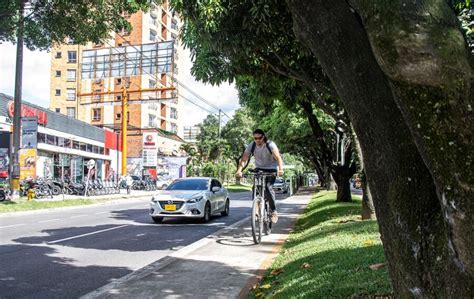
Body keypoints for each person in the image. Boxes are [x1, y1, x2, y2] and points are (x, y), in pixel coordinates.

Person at [236, 129, 284, 223]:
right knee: (255, 188)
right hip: (259, 168)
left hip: (271, 168)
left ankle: (273, 211)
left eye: (259, 138)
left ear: (263, 137)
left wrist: (281, 169)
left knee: (268, 187)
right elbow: (244, 158)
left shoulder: (270, 144)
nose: (257, 140)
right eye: (255, 138)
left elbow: (278, 157)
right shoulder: (252, 145)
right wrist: (239, 170)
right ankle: (257, 210)